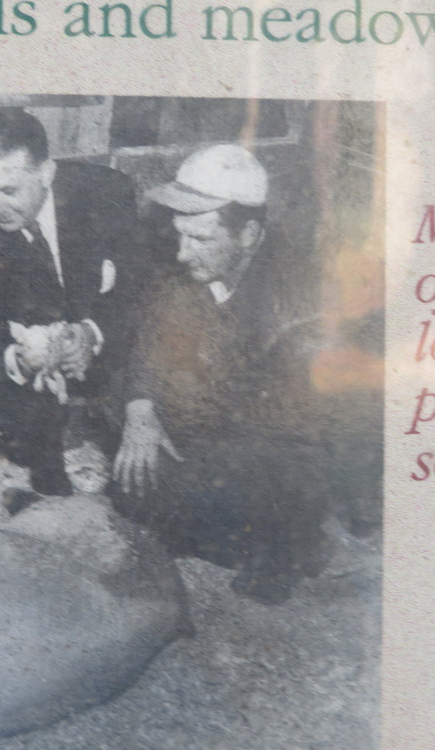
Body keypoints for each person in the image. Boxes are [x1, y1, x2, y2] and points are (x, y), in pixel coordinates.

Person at [111, 144, 330, 605]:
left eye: (200, 239)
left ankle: (288, 547)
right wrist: (141, 411)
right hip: (207, 427)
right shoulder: (193, 265)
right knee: (131, 470)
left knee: (237, 488)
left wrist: (183, 406)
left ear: (248, 234)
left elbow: (287, 429)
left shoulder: (295, 298)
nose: (182, 252)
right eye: (180, 235)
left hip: (270, 446)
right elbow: (152, 337)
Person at [0, 108, 141, 496]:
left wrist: (92, 333)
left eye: (9, 191)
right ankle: (49, 474)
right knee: (37, 455)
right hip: (27, 364)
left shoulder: (106, 194)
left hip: (103, 348)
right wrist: (20, 359)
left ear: (46, 173)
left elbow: (138, 290)